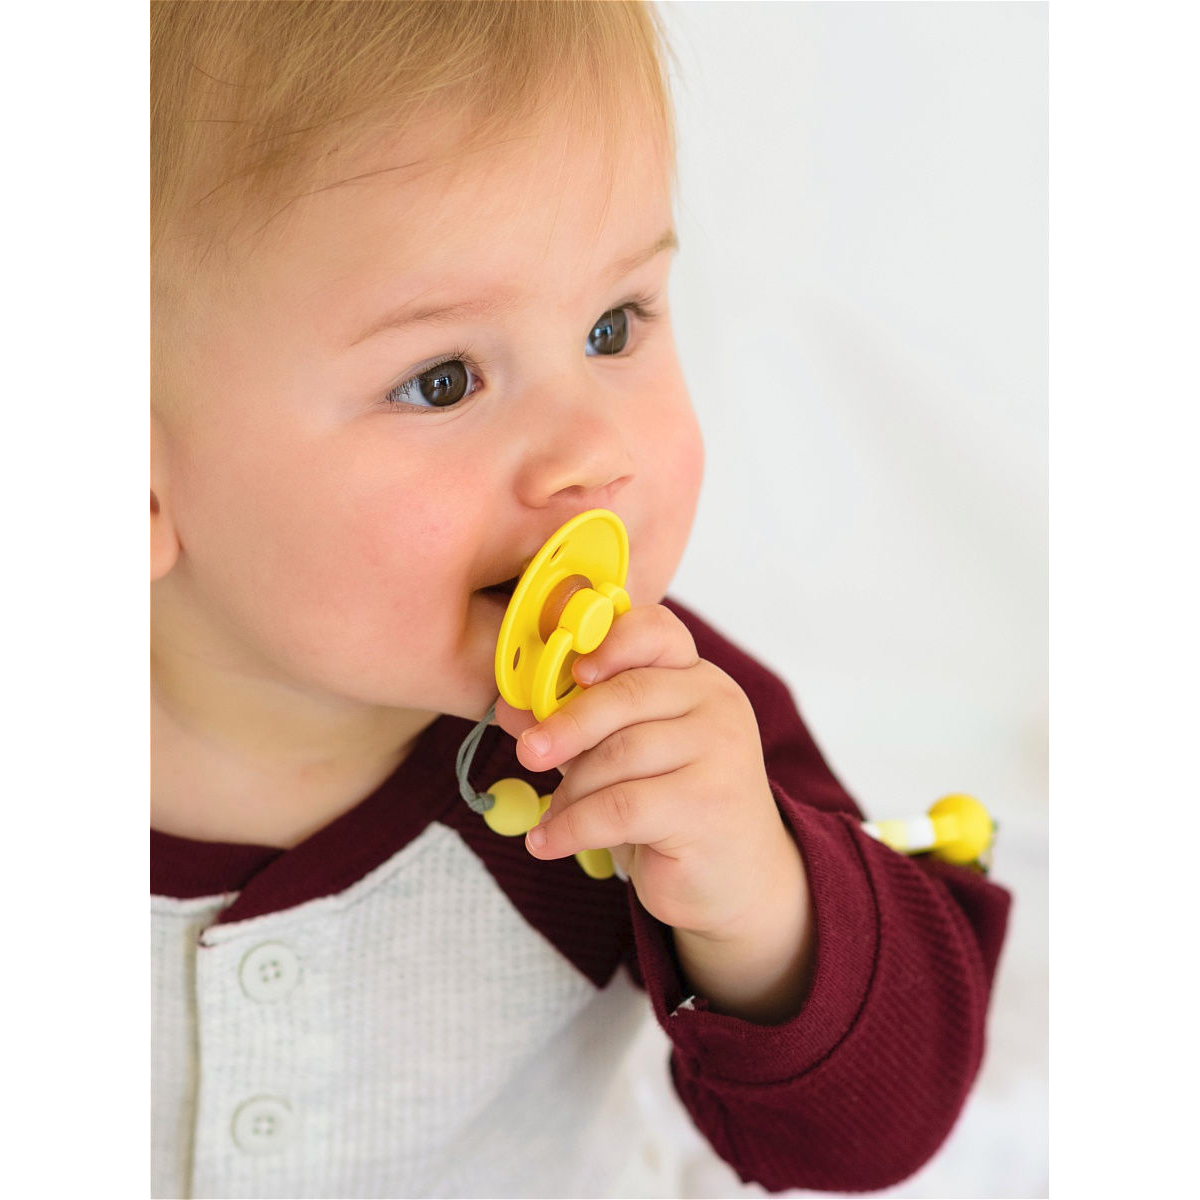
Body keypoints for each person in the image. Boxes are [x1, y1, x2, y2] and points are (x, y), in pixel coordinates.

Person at [150, 2, 1011, 1196]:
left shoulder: (655, 732)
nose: (590, 452)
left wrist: (757, 898)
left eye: (617, 324)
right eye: (442, 379)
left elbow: (877, 1129)